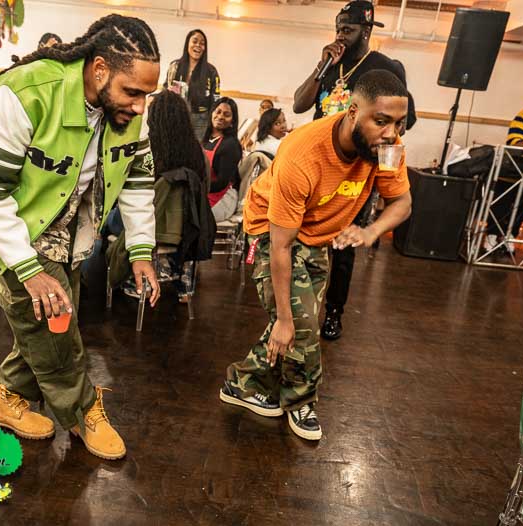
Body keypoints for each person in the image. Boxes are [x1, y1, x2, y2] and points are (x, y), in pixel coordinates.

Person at [0, 14, 161, 460]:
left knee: (43, 328)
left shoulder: (129, 115)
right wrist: (26, 268)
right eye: (133, 92)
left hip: (74, 237)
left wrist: (140, 250)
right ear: (99, 69)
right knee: (58, 334)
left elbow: (136, 181)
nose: (140, 107)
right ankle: (83, 412)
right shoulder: (24, 94)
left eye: (147, 95)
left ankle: (5, 398)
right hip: (16, 233)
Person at [220, 70, 412, 440]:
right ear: (353, 112)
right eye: (381, 121)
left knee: (298, 322)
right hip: (270, 231)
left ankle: (241, 383)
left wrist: (370, 231)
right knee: (299, 323)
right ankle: (301, 399)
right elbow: (281, 245)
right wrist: (284, 318)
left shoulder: (386, 148)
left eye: (399, 123)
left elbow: (402, 202)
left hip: (318, 236)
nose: (391, 133)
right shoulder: (303, 153)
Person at [293, 0, 416, 341]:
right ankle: (299, 306)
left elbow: (405, 121)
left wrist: (384, 165)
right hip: (319, 162)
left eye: (347, 29)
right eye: (337, 28)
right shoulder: (331, 64)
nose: (340, 35)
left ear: (366, 30)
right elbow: (299, 104)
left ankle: (334, 311)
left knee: (343, 241)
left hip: (357, 169)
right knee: (302, 233)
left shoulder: (384, 68)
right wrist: (321, 66)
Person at [107, 89, 216, 302]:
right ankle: (180, 283)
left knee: (106, 223)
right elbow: (204, 193)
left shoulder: (146, 151)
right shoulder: (199, 154)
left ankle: (113, 278)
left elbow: (126, 192)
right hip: (186, 231)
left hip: (144, 227)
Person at [484, 104, 523, 253]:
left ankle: (510, 235)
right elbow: (514, 141)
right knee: (502, 202)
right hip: (514, 168)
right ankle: (492, 234)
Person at [164, 29, 220, 140]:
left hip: (200, 121)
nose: (198, 45)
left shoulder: (211, 71)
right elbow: (165, 89)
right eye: (194, 41)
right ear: (187, 44)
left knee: (194, 149)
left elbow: (216, 99)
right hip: (175, 117)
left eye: (202, 43)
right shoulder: (175, 66)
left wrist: (213, 126)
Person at [202, 97, 242, 223]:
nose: (220, 117)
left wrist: (196, 186)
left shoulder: (231, 145)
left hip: (223, 198)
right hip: (204, 192)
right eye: (218, 112)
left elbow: (221, 183)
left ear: (232, 121)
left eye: (226, 115)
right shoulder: (205, 140)